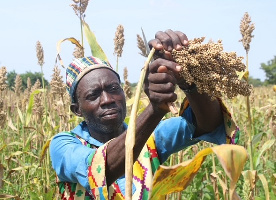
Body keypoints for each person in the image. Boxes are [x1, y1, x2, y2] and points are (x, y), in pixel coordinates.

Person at [50, 30, 238, 200]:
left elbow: (209, 124)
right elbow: (98, 171)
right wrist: (154, 110)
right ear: (77, 110)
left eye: (113, 88)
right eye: (93, 95)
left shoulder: (152, 137)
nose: (107, 99)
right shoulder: (64, 144)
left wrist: (186, 78)